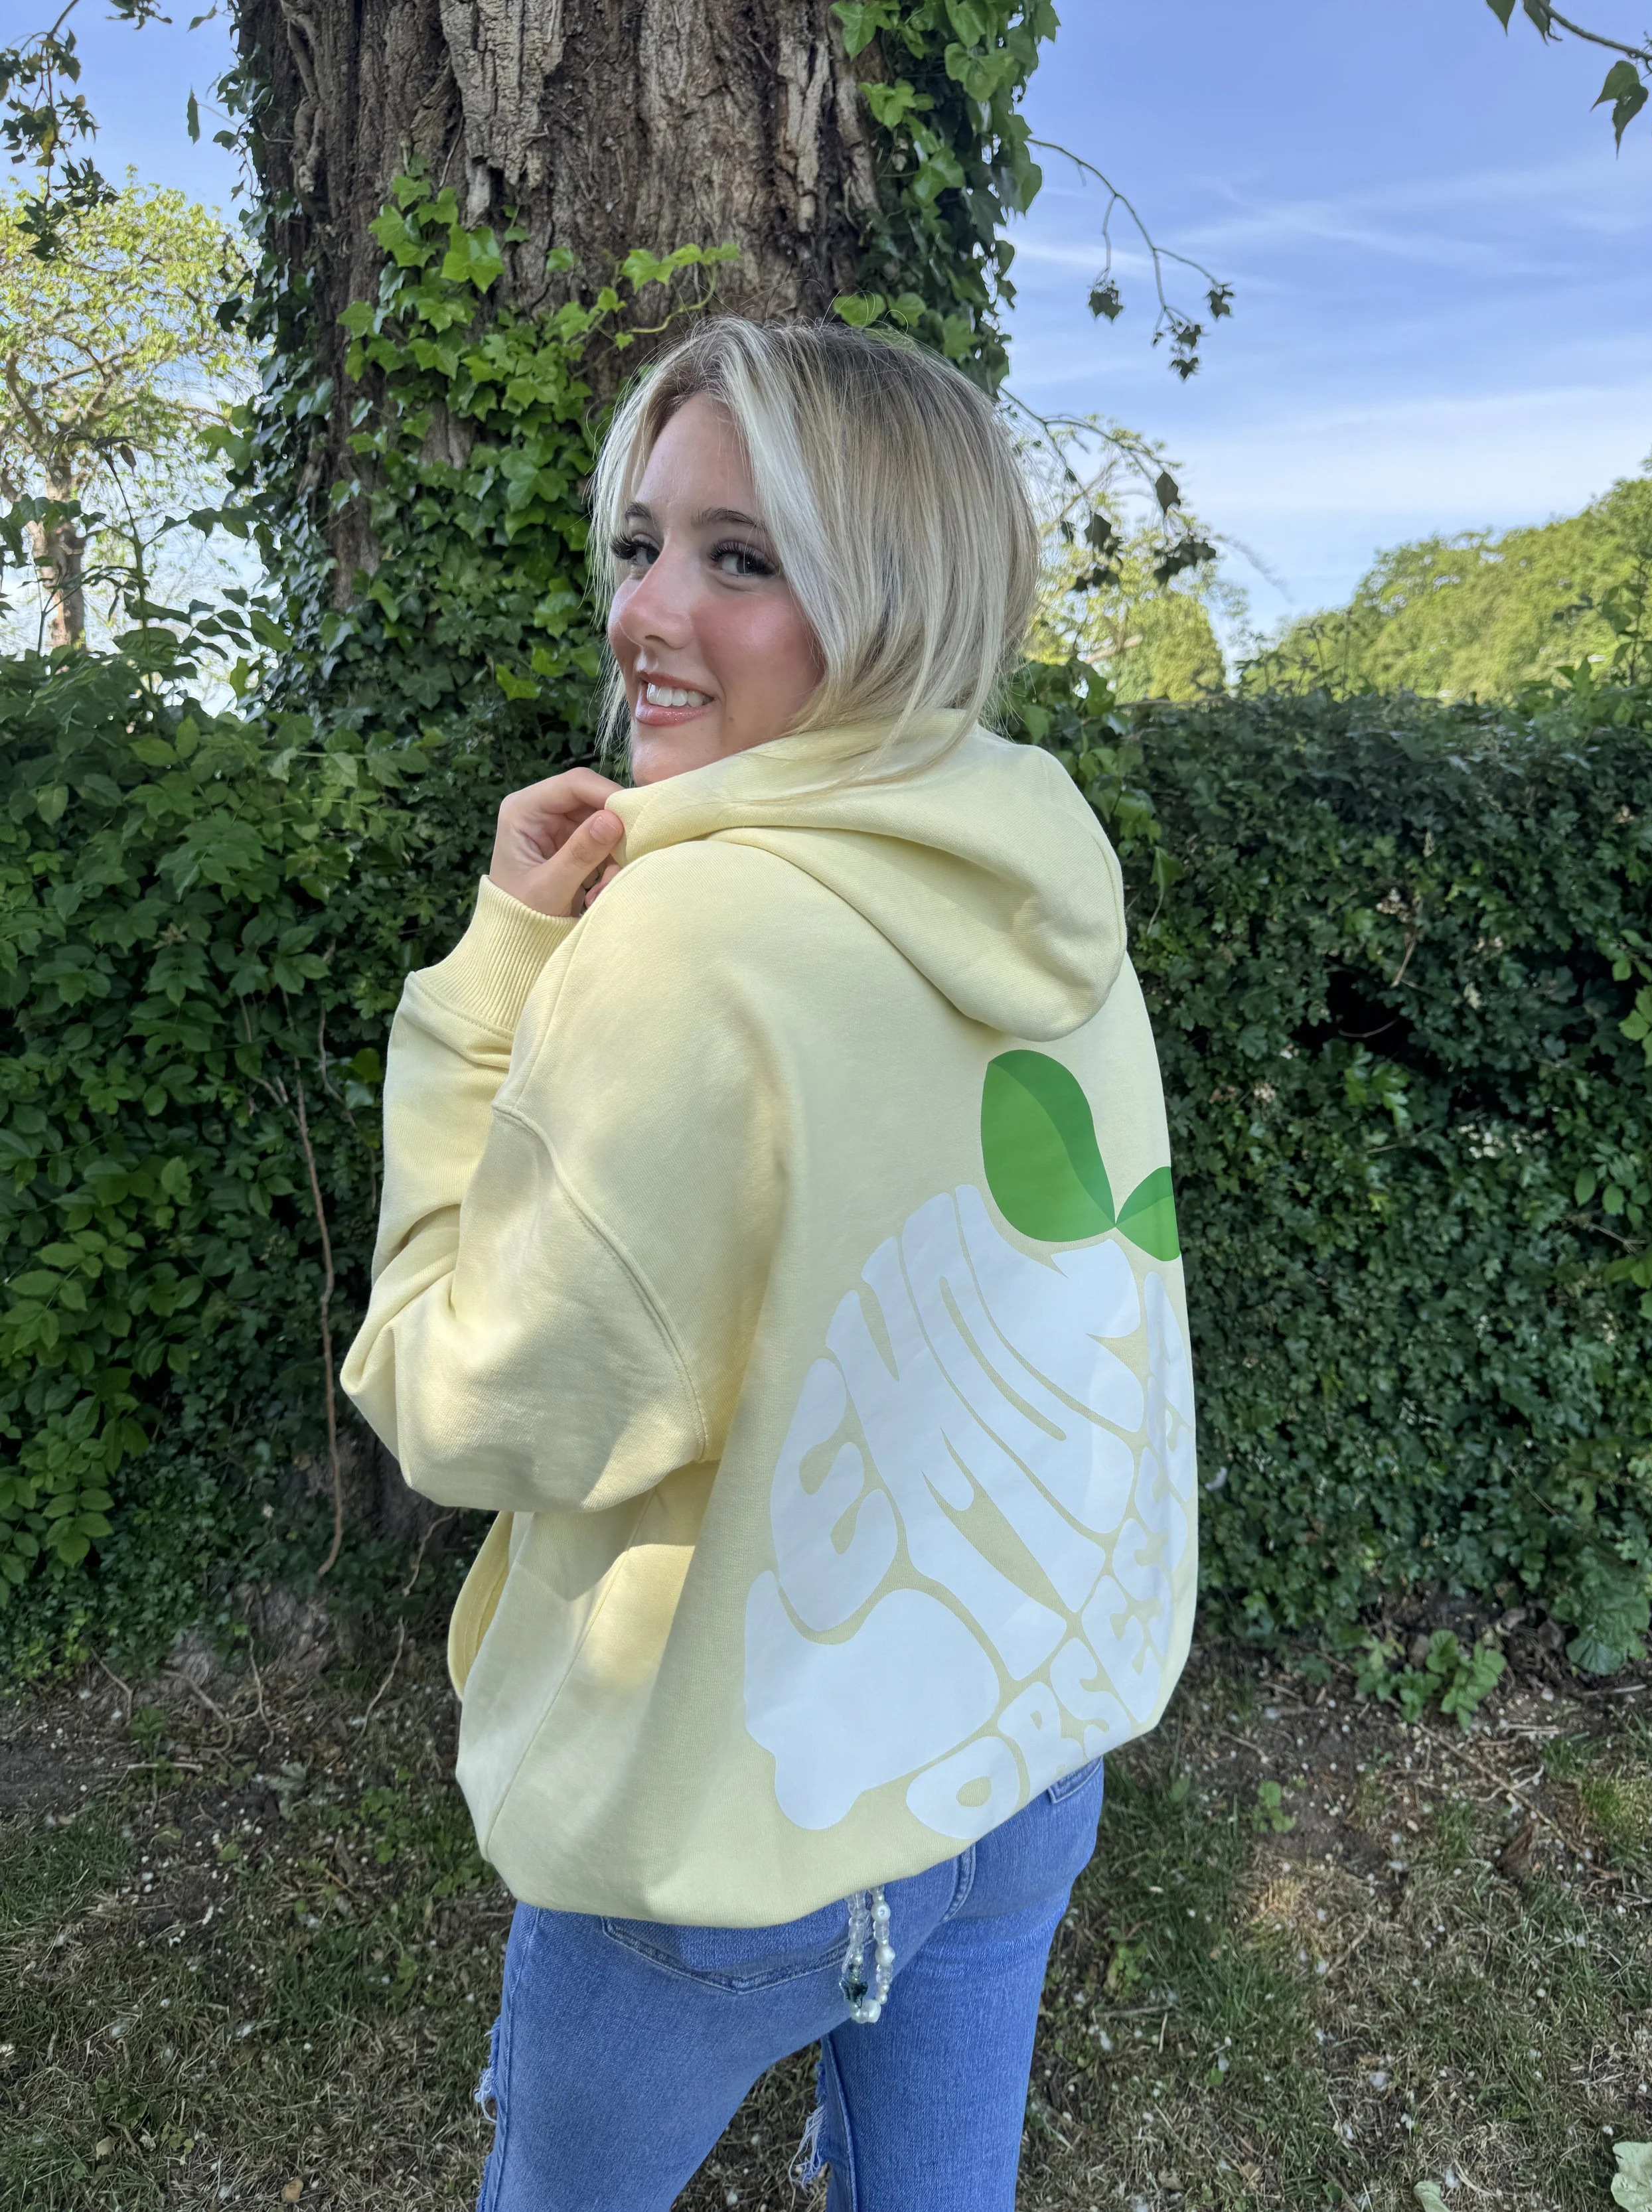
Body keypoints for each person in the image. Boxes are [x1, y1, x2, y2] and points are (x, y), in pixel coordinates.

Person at [341, 317, 1197, 2212]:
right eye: (641, 543)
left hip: (729, 1811)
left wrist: (490, 972)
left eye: (742, 556)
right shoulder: (1041, 882)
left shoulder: (684, 938)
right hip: (1011, 1768)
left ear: (894, 593)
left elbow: (453, 1398)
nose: (648, 609)